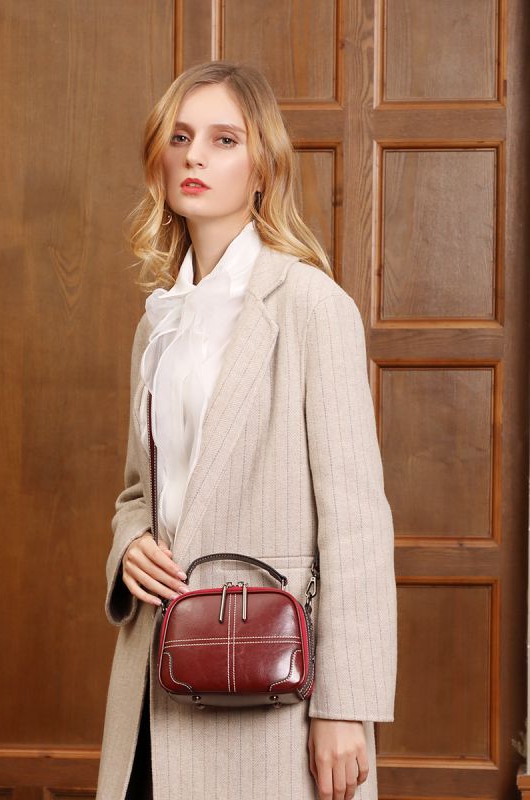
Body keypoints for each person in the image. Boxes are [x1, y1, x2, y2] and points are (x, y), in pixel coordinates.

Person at [96, 60, 397, 800]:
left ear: (262, 168)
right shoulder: (159, 323)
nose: (194, 156)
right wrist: (129, 544)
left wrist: (345, 708)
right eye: (180, 137)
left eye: (223, 139)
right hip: (156, 671)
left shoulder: (311, 308)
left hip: (271, 687)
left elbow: (357, 522)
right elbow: (139, 493)